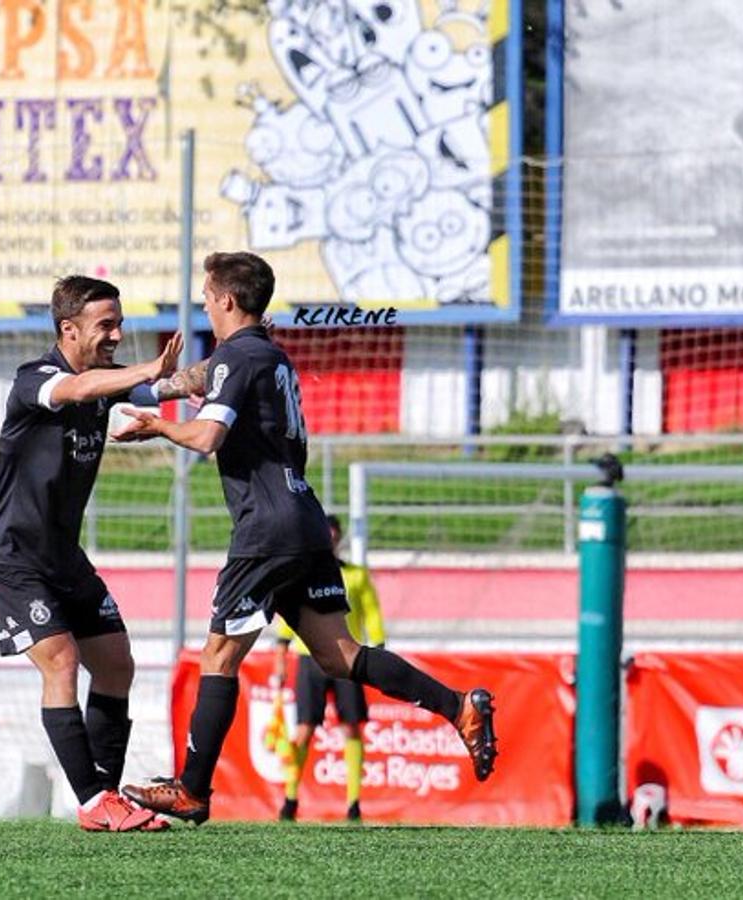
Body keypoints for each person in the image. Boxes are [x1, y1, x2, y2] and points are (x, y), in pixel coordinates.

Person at [113, 251, 497, 825]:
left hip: (266, 530)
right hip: (305, 522)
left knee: (219, 654)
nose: (202, 303)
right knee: (338, 655)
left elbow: (208, 436)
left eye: (206, 294)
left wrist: (158, 425)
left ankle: (192, 790)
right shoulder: (265, 355)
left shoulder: (238, 357)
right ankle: (457, 705)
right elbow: (199, 378)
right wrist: (142, 385)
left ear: (225, 300)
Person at [0, 274, 197, 832]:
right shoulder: (37, 380)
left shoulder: (106, 383)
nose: (117, 334)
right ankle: (95, 802)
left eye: (119, 323)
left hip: (63, 558)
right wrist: (147, 371)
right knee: (62, 662)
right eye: (106, 325)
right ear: (68, 329)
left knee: (117, 665)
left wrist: (232, 361)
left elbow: (171, 388)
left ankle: (107, 797)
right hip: (14, 558)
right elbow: (74, 391)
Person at [273, 514, 385, 823]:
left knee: (351, 726)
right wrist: (280, 661)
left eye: (334, 534)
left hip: (348, 659)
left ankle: (353, 803)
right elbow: (286, 622)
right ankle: (291, 797)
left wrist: (378, 647)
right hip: (309, 658)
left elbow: (372, 613)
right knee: (304, 730)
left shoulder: (356, 576)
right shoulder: (301, 573)